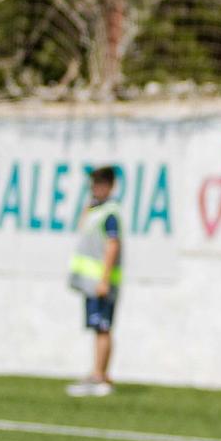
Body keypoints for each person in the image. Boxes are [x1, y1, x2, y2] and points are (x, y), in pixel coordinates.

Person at [66, 165, 123, 397]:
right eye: (93, 184)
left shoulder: (110, 212)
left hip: (101, 282)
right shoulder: (95, 210)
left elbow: (112, 245)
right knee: (97, 327)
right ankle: (98, 372)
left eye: (99, 184)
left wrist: (104, 279)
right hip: (91, 282)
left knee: (103, 327)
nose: (95, 189)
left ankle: (101, 376)